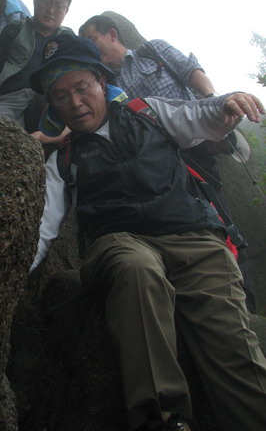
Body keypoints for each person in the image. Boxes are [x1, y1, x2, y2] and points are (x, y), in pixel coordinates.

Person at [28, 34, 266, 431]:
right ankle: (162, 419)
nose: (75, 102)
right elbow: (42, 229)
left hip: (194, 239)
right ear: (52, 105)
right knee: (136, 268)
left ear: (102, 82)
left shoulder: (148, 112)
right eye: (60, 95)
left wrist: (228, 102)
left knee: (231, 340)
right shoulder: (64, 160)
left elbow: (201, 116)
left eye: (82, 87)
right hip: (120, 244)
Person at [78, 13, 256, 313]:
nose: (91, 48)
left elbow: (190, 71)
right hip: (155, 162)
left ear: (112, 34)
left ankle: (245, 305)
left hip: (194, 147)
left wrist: (215, 102)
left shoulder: (153, 51)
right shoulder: (106, 84)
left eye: (92, 40)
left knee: (218, 220)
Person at [0, 0, 75, 128]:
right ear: (35, 2)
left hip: (48, 102)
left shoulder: (69, 40)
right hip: (8, 98)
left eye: (58, 6)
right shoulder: (15, 29)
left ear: (66, 11)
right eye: (46, 2)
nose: (51, 10)